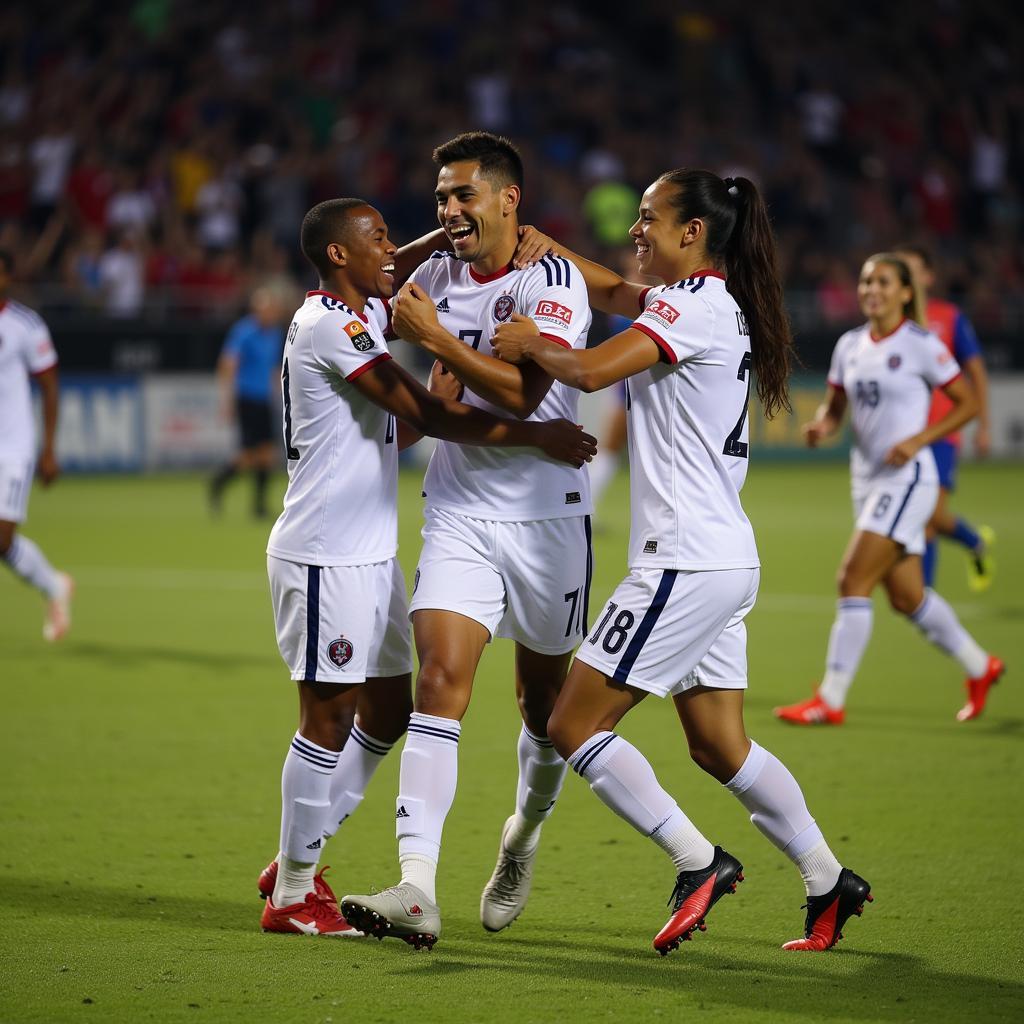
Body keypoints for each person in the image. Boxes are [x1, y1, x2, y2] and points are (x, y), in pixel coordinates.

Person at [489, 169, 871, 956]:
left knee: (569, 722)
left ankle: (697, 862)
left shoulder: (689, 307)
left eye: (648, 218)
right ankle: (827, 876)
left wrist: (534, 343)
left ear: (692, 232)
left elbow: (591, 371)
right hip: (723, 558)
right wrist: (549, 250)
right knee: (717, 744)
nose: (636, 230)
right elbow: (619, 296)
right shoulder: (709, 304)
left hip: (683, 563)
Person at [258, 197, 595, 938]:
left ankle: (301, 849)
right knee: (328, 717)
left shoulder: (362, 316)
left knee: (386, 710)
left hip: (371, 553)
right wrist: (534, 437)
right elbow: (432, 416)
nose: (395, 249)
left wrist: (455, 233)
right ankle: (291, 889)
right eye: (379, 238)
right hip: (325, 553)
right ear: (341, 256)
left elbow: (396, 428)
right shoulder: (331, 325)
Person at [341, 132, 596, 948]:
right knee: (440, 682)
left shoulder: (552, 279)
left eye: (465, 197)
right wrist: (425, 256)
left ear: (508, 199)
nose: (451, 210)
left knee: (546, 709)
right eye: (442, 198)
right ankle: (417, 885)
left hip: (548, 517)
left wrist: (439, 343)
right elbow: (362, 274)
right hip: (457, 511)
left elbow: (526, 395)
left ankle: (521, 833)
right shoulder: (431, 277)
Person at [774, 254, 1003, 728]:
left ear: (904, 292)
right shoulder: (850, 345)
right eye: (865, 281)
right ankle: (981, 667)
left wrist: (920, 438)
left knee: (851, 580)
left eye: (882, 282)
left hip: (908, 478)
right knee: (907, 597)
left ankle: (830, 699)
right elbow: (837, 410)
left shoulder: (922, 344)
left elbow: (970, 402)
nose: (871, 289)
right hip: (868, 479)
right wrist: (822, 428)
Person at [893, 244, 995, 592]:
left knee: (932, 515)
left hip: (940, 432)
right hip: (903, 434)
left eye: (912, 269)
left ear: (928, 276)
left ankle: (965, 550)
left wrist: (984, 425)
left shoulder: (948, 317)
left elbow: (976, 372)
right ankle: (931, 589)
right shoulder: (891, 322)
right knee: (920, 518)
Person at [0, 249, 73, 642]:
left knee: (2, 539)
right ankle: (55, 585)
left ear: (8, 277)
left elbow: (49, 385)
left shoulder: (25, 326)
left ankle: (52, 587)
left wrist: (48, 449)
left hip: (13, 446)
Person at [208, 286, 288, 518]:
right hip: (246, 398)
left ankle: (259, 506)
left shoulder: (274, 334)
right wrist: (227, 400)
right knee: (248, 456)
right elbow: (227, 364)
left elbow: (274, 368)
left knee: (267, 454)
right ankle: (219, 483)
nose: (270, 314)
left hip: (264, 399)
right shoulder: (244, 331)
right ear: (257, 310)